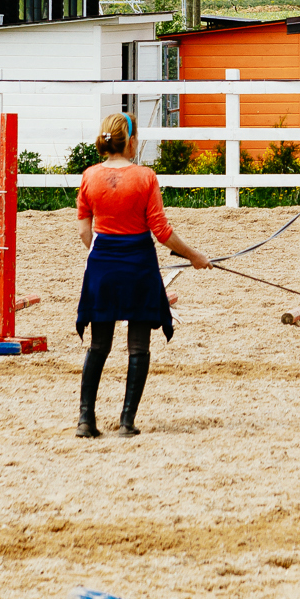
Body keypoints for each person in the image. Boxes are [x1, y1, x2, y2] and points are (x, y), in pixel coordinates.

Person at [75, 112, 210, 438]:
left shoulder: (90, 176)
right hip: (138, 265)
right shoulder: (145, 177)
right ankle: (126, 422)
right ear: (131, 140)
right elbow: (161, 232)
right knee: (138, 346)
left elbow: (83, 232)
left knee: (99, 345)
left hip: (103, 266)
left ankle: (85, 420)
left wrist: (106, 251)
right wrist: (193, 255)